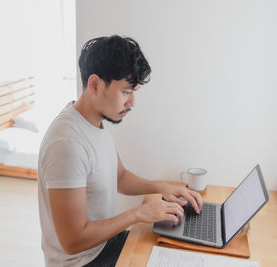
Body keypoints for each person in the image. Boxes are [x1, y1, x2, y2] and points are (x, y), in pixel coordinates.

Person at [37, 35, 203, 267]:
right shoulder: (66, 144)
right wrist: (138, 214)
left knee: (180, 249)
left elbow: (120, 177)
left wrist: (162, 187)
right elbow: (72, 242)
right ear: (95, 84)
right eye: (126, 92)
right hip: (82, 261)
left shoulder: (96, 122)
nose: (132, 102)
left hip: (105, 244)